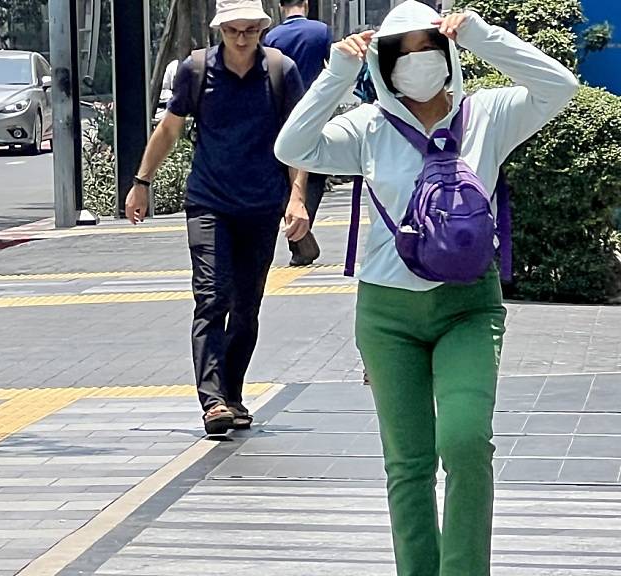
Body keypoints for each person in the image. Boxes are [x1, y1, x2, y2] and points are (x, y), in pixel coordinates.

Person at [275, 2, 577, 573]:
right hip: (387, 315)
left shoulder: (488, 113)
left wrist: (483, 37)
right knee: (408, 463)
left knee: (464, 444)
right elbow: (293, 148)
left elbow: (558, 85)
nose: (416, 63)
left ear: (447, 56)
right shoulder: (366, 127)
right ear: (386, 68)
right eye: (402, 54)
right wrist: (338, 71)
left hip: (468, 306)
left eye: (427, 50)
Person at [125, 0, 308, 435]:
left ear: (263, 28)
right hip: (209, 203)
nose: (241, 40)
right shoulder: (195, 70)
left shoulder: (281, 70)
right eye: (232, 31)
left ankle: (232, 394)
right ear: (219, 30)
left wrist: (297, 196)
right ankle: (212, 402)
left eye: (249, 30)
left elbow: (299, 138)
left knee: (246, 307)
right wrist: (141, 181)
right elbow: (169, 128)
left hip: (263, 204)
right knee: (211, 297)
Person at [264, 0, 332, 266]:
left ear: (281, 6)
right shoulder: (321, 31)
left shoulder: (272, 37)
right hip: (315, 113)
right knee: (313, 176)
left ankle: (299, 235)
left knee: (285, 174)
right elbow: (333, 66)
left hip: (282, 115)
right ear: (305, 3)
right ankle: (302, 233)